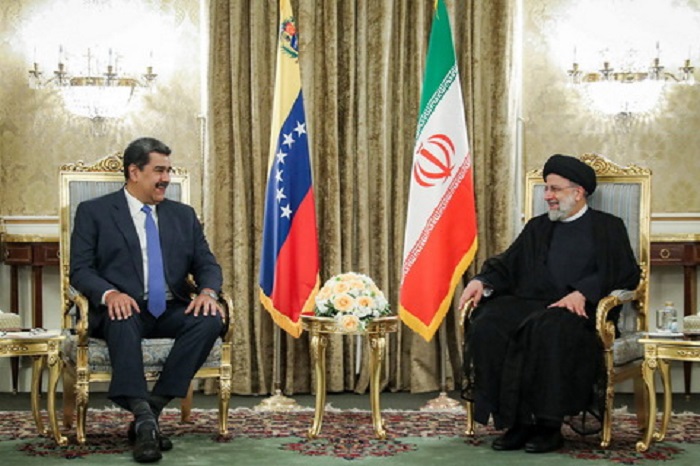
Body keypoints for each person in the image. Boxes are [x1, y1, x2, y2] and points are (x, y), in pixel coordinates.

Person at [459, 154, 640, 454]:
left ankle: (548, 426)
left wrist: (583, 292)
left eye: (554, 189)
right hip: (531, 302)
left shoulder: (608, 227)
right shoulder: (538, 227)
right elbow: (509, 263)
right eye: (546, 188)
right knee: (489, 324)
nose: (547, 196)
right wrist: (483, 281)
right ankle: (517, 422)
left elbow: (624, 272)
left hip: (578, 312)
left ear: (578, 192)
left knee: (549, 329)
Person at [70, 137, 225, 463]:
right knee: (123, 315)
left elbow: (207, 265)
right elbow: (81, 270)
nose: (166, 178)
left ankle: (147, 414)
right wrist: (110, 294)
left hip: (169, 307)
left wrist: (208, 292)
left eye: (168, 170)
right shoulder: (94, 212)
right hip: (120, 308)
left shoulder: (183, 215)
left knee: (210, 318)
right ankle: (146, 419)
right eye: (159, 171)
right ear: (134, 172)